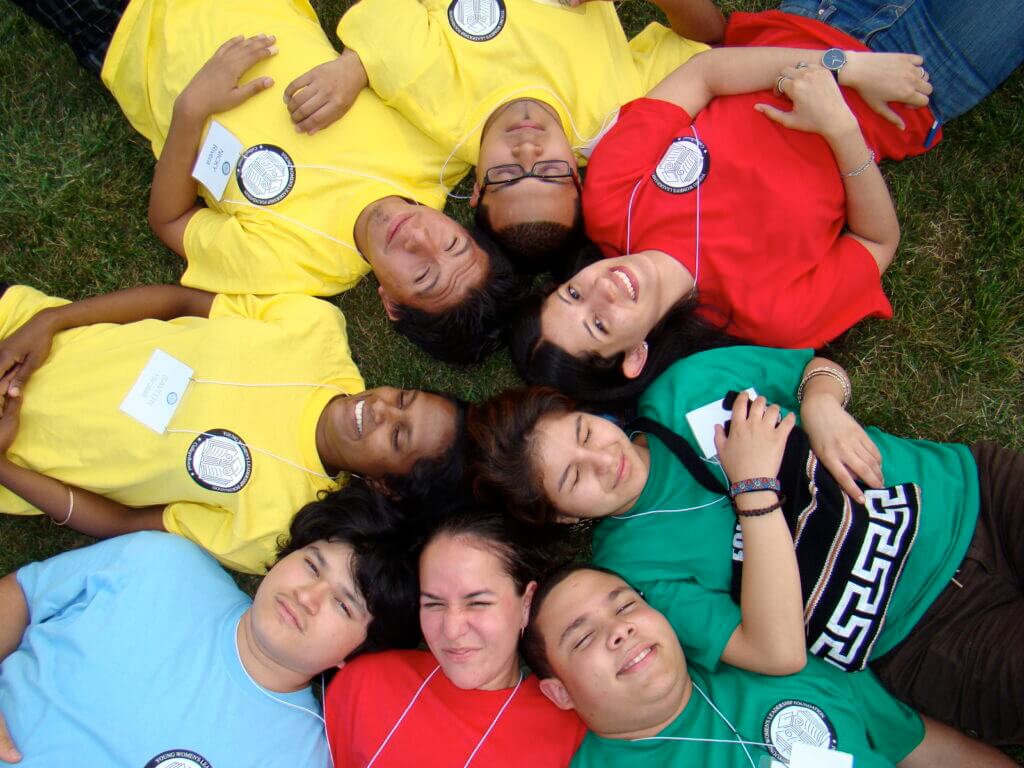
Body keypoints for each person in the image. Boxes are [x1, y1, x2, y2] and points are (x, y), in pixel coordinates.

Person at [468, 345, 1024, 744]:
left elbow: (816, 368)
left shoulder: (685, 387)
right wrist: (753, 490)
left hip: (972, 493)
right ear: (565, 516)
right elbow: (776, 652)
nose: (602, 460)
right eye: (573, 479)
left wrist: (822, 406)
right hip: (925, 636)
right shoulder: (629, 577)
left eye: (585, 434)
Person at [10, 0, 521, 364]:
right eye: (451, 243)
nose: (418, 239)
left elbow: (170, 220)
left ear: (390, 302)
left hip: (123, 35)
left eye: (423, 276)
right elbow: (414, 20)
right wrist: (356, 67)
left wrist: (192, 109)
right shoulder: (435, 148)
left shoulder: (295, 269)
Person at [509, 9, 964, 402]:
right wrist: (840, 129)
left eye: (573, 294)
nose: (601, 291)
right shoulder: (772, 318)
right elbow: (877, 241)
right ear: (635, 356)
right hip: (913, 82)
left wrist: (842, 66)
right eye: (599, 325)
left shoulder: (611, 200)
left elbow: (702, 74)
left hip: (811, 19)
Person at [0, 283, 466, 573]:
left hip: (16, 450)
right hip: (16, 325)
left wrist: (3, 466)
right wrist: (49, 320)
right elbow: (179, 302)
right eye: (404, 397)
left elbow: (122, 523)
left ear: (385, 486)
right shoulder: (317, 329)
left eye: (398, 436)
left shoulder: (274, 526)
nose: (383, 408)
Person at [0, 480, 420, 767]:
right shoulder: (163, 562)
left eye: (344, 605)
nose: (307, 597)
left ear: (359, 654)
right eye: (312, 565)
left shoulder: (299, 756)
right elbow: (22, 594)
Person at [283, 0, 721, 274]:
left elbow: (382, 17)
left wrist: (356, 66)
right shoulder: (615, 117)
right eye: (549, 169)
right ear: (577, 173)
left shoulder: (435, 101)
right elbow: (710, 36)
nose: (527, 148)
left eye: (508, 173)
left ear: (475, 190)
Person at [524, 564, 1016, 767]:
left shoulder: (784, 663)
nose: (620, 629)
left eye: (626, 604)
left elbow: (921, 748)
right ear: (560, 692)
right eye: (583, 636)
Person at [325, 510, 586, 767]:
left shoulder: (570, 736)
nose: (451, 630)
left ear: (526, 603)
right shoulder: (367, 684)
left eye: (477, 603)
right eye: (434, 604)